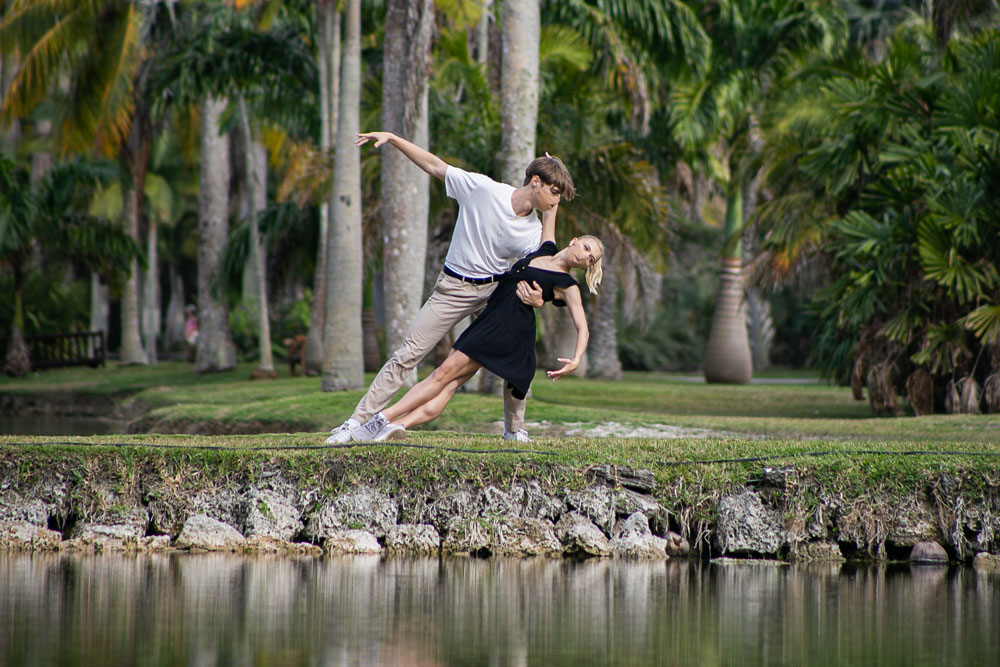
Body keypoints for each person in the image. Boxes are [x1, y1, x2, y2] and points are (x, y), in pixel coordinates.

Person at [326, 131, 576, 445]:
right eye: (554, 193)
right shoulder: (483, 189)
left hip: (496, 293)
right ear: (535, 181)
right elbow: (434, 166)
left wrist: (540, 298)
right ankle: (354, 423)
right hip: (454, 289)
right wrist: (393, 138)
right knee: (407, 355)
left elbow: (545, 261)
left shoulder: (534, 230)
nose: (555, 202)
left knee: (520, 358)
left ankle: (514, 430)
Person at [354, 233, 604, 441]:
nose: (585, 256)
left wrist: (576, 359)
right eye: (586, 247)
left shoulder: (568, 285)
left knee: (442, 375)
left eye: (590, 258)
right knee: (450, 382)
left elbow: (583, 326)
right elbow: (551, 206)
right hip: (490, 320)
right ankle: (398, 425)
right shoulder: (545, 248)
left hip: (507, 329)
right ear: (574, 240)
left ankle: (380, 420)